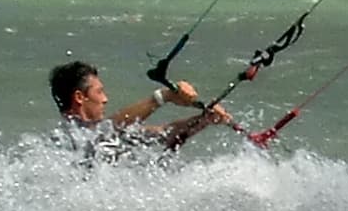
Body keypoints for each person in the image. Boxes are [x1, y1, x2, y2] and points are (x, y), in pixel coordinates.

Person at [49, 58, 233, 163]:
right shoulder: (68, 135)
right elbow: (108, 127)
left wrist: (205, 119)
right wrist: (162, 97)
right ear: (80, 97)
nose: (105, 99)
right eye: (99, 92)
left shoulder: (107, 135)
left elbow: (165, 134)